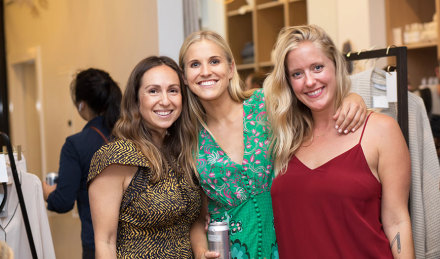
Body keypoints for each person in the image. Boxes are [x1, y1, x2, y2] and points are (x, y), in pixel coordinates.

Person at [178, 30, 367, 259]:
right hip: (229, 251)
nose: (206, 71)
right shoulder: (187, 136)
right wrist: (200, 252)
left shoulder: (266, 105)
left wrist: (352, 98)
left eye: (214, 61)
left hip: (289, 242)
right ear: (185, 77)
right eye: (195, 64)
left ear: (231, 68)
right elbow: (197, 216)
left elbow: (314, 100)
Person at [267, 25, 414, 258]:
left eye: (317, 67)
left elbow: (397, 221)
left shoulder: (380, 131)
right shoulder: (285, 136)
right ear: (288, 82)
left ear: (335, 66)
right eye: (297, 73)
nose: (309, 81)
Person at [87, 56, 202, 258]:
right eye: (153, 91)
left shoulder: (181, 152)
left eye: (173, 90)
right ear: (136, 100)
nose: (165, 101)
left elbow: (192, 222)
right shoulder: (117, 156)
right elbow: (105, 242)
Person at [42, 68, 122, 259]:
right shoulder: (129, 134)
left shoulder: (76, 145)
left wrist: (46, 192)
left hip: (98, 245)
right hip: (136, 242)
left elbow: (63, 202)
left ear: (81, 105)